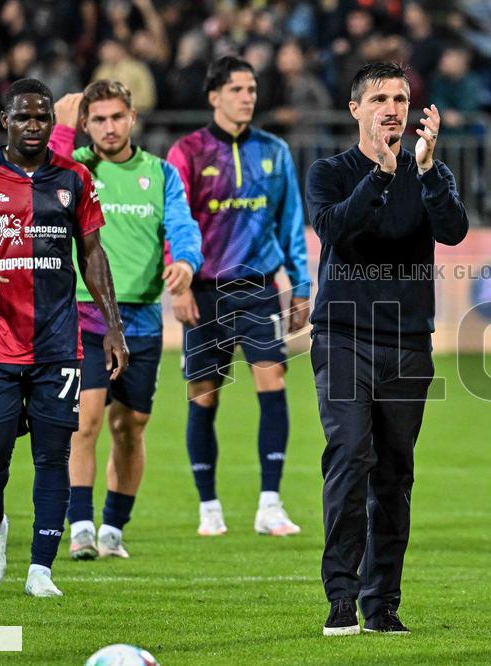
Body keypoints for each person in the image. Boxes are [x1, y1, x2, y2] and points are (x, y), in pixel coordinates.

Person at [0, 78, 128, 597]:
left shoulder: (74, 176)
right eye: (23, 117)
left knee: (53, 455)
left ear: (53, 122)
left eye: (42, 117)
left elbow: (92, 254)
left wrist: (111, 325)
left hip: (58, 344)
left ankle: (41, 569)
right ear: (6, 120)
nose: (33, 125)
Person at [305, 62, 468, 636]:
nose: (392, 107)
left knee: (395, 474)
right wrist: (379, 174)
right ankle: (341, 597)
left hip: (406, 342)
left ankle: (382, 605)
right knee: (350, 457)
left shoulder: (429, 172)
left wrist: (423, 173)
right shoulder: (330, 171)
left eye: (401, 97)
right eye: (379, 98)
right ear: (356, 110)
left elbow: (453, 231)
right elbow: (337, 230)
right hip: (343, 335)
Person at [48, 80, 203, 560]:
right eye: (98, 119)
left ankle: (113, 527)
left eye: (117, 117)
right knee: (85, 422)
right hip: (84, 313)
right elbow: (29, 186)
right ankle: (80, 529)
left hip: (140, 317)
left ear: (133, 118)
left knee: (130, 426)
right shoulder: (73, 170)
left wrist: (186, 261)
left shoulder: (160, 174)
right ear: (85, 124)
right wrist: (58, 131)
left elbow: (181, 225)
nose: (109, 128)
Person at [166, 56, 311, 538]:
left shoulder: (274, 151)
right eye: (237, 89)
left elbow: (291, 223)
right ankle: (209, 507)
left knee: (273, 384)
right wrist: (180, 285)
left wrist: (300, 287)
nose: (248, 96)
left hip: (259, 290)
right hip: (205, 291)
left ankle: (270, 503)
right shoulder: (187, 152)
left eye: (252, 88)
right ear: (214, 96)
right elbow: (174, 222)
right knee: (204, 397)